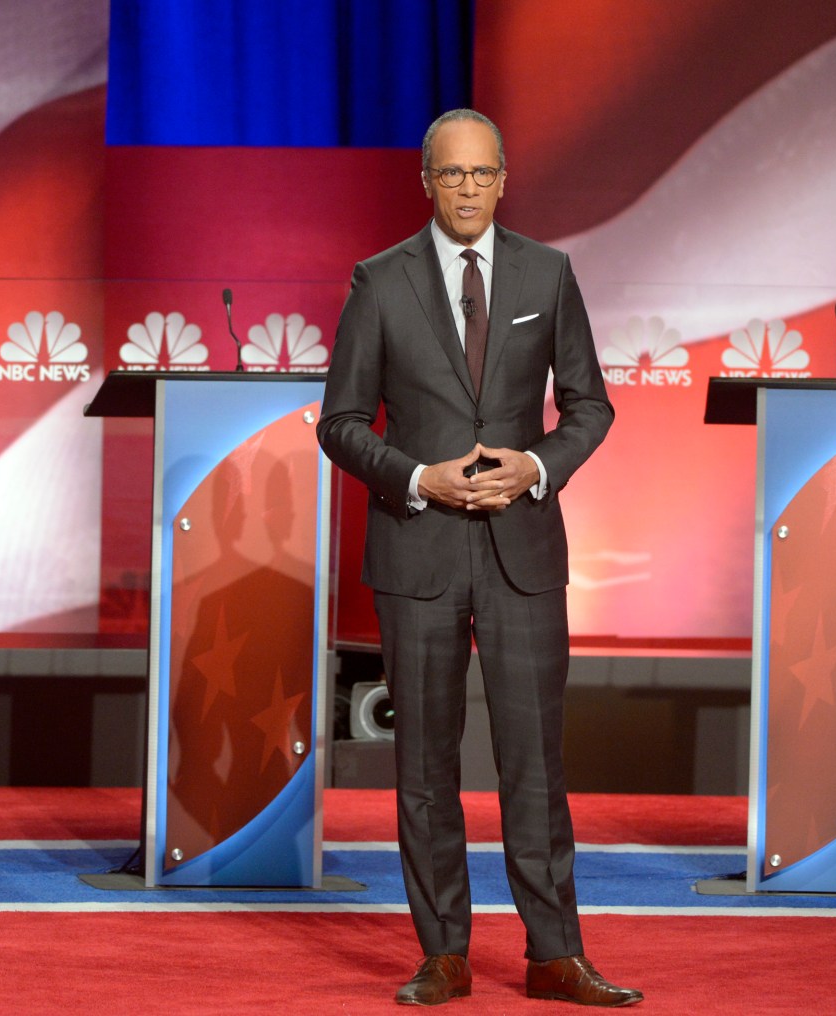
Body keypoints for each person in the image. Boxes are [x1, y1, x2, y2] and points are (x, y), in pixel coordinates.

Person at [317, 109, 642, 1008]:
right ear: (426, 181)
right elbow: (341, 422)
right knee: (424, 766)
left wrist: (535, 466)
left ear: (504, 179)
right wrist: (417, 477)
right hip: (416, 550)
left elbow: (590, 406)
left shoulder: (548, 272)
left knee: (534, 762)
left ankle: (555, 954)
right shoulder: (379, 280)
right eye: (451, 173)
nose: (467, 188)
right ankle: (443, 954)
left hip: (521, 553)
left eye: (481, 173)